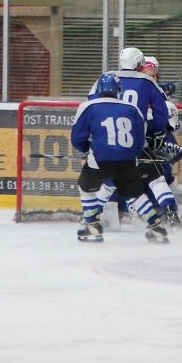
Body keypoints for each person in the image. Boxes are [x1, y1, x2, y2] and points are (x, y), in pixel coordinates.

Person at [72, 73, 170, 244]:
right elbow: (139, 140)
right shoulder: (133, 109)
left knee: (85, 186)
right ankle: (156, 226)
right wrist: (131, 155)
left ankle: (92, 223)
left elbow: (77, 138)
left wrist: (87, 149)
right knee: (135, 194)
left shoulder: (88, 106)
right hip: (127, 161)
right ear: (119, 90)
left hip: (100, 160)